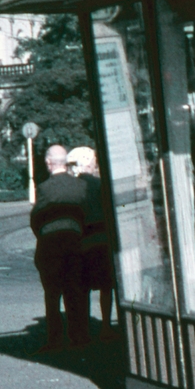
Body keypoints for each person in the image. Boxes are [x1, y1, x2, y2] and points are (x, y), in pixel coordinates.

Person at [31, 145, 93, 352]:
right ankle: (79, 335)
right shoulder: (80, 186)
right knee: (75, 290)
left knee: (52, 294)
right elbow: (86, 213)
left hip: (50, 245)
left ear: (49, 163)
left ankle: (55, 339)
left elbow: (36, 218)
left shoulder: (44, 188)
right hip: (75, 242)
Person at [68, 146, 119, 341]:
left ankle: (85, 328)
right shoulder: (100, 185)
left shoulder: (74, 188)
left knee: (84, 286)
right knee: (107, 286)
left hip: (82, 240)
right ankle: (106, 325)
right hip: (103, 239)